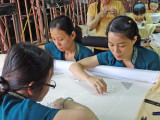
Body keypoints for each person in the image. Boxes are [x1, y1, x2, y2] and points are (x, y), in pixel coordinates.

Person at [0, 42, 98, 120]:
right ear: (31, 88)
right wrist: (65, 102)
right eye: (48, 83)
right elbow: (88, 117)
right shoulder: (28, 110)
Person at [69, 16, 160, 95]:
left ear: (134, 39)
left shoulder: (151, 59)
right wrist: (89, 79)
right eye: (111, 45)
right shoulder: (109, 56)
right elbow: (74, 66)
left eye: (122, 45)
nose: (115, 51)